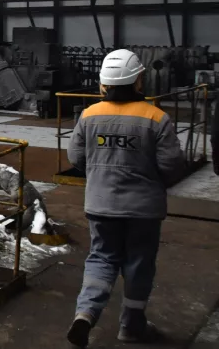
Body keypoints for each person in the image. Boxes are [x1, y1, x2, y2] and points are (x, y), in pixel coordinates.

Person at [66, 49, 185, 347]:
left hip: (100, 204)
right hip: (143, 210)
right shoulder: (157, 118)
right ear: (138, 82)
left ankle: (85, 314)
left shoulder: (89, 115)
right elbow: (172, 166)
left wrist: (100, 173)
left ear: (103, 84)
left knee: (101, 258)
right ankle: (131, 327)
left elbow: (76, 157)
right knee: (139, 264)